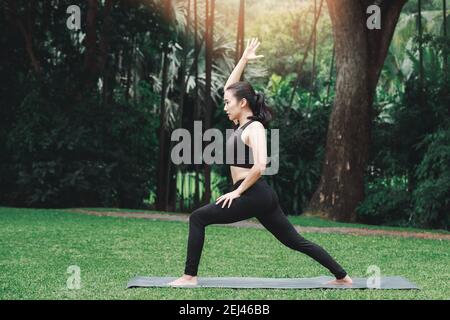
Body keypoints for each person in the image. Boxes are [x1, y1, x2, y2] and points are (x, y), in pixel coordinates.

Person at [169, 38, 352, 287]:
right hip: (258, 195)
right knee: (294, 241)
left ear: (242, 103)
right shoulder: (240, 124)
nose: (225, 106)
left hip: (253, 193)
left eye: (228, 103)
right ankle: (343, 276)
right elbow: (230, 87)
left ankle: (189, 277)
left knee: (198, 218)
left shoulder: (254, 127)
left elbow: (260, 166)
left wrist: (238, 192)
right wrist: (243, 59)